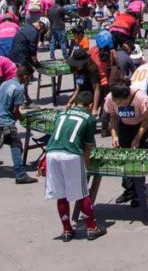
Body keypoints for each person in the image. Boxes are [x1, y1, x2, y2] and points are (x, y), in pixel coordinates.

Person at [44, 92, 106, 241]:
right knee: (81, 193)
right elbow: (87, 146)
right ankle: (91, 227)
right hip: (71, 154)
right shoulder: (89, 118)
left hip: (51, 154)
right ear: (90, 105)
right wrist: (87, 163)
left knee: (61, 193)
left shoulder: (62, 114)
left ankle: (66, 230)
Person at [0, 65, 36, 183]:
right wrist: (23, 119)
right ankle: (20, 174)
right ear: (25, 76)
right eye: (28, 78)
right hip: (5, 121)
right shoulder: (18, 89)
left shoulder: (5, 83)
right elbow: (15, 110)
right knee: (16, 144)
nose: (28, 80)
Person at [104, 82, 148, 207]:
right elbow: (113, 116)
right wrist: (114, 135)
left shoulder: (140, 98)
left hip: (142, 126)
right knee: (125, 158)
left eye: (121, 103)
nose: (118, 105)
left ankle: (139, 192)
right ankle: (129, 190)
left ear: (127, 97)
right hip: (125, 126)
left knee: (137, 159)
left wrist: (138, 137)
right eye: (117, 103)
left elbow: (147, 118)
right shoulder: (111, 97)